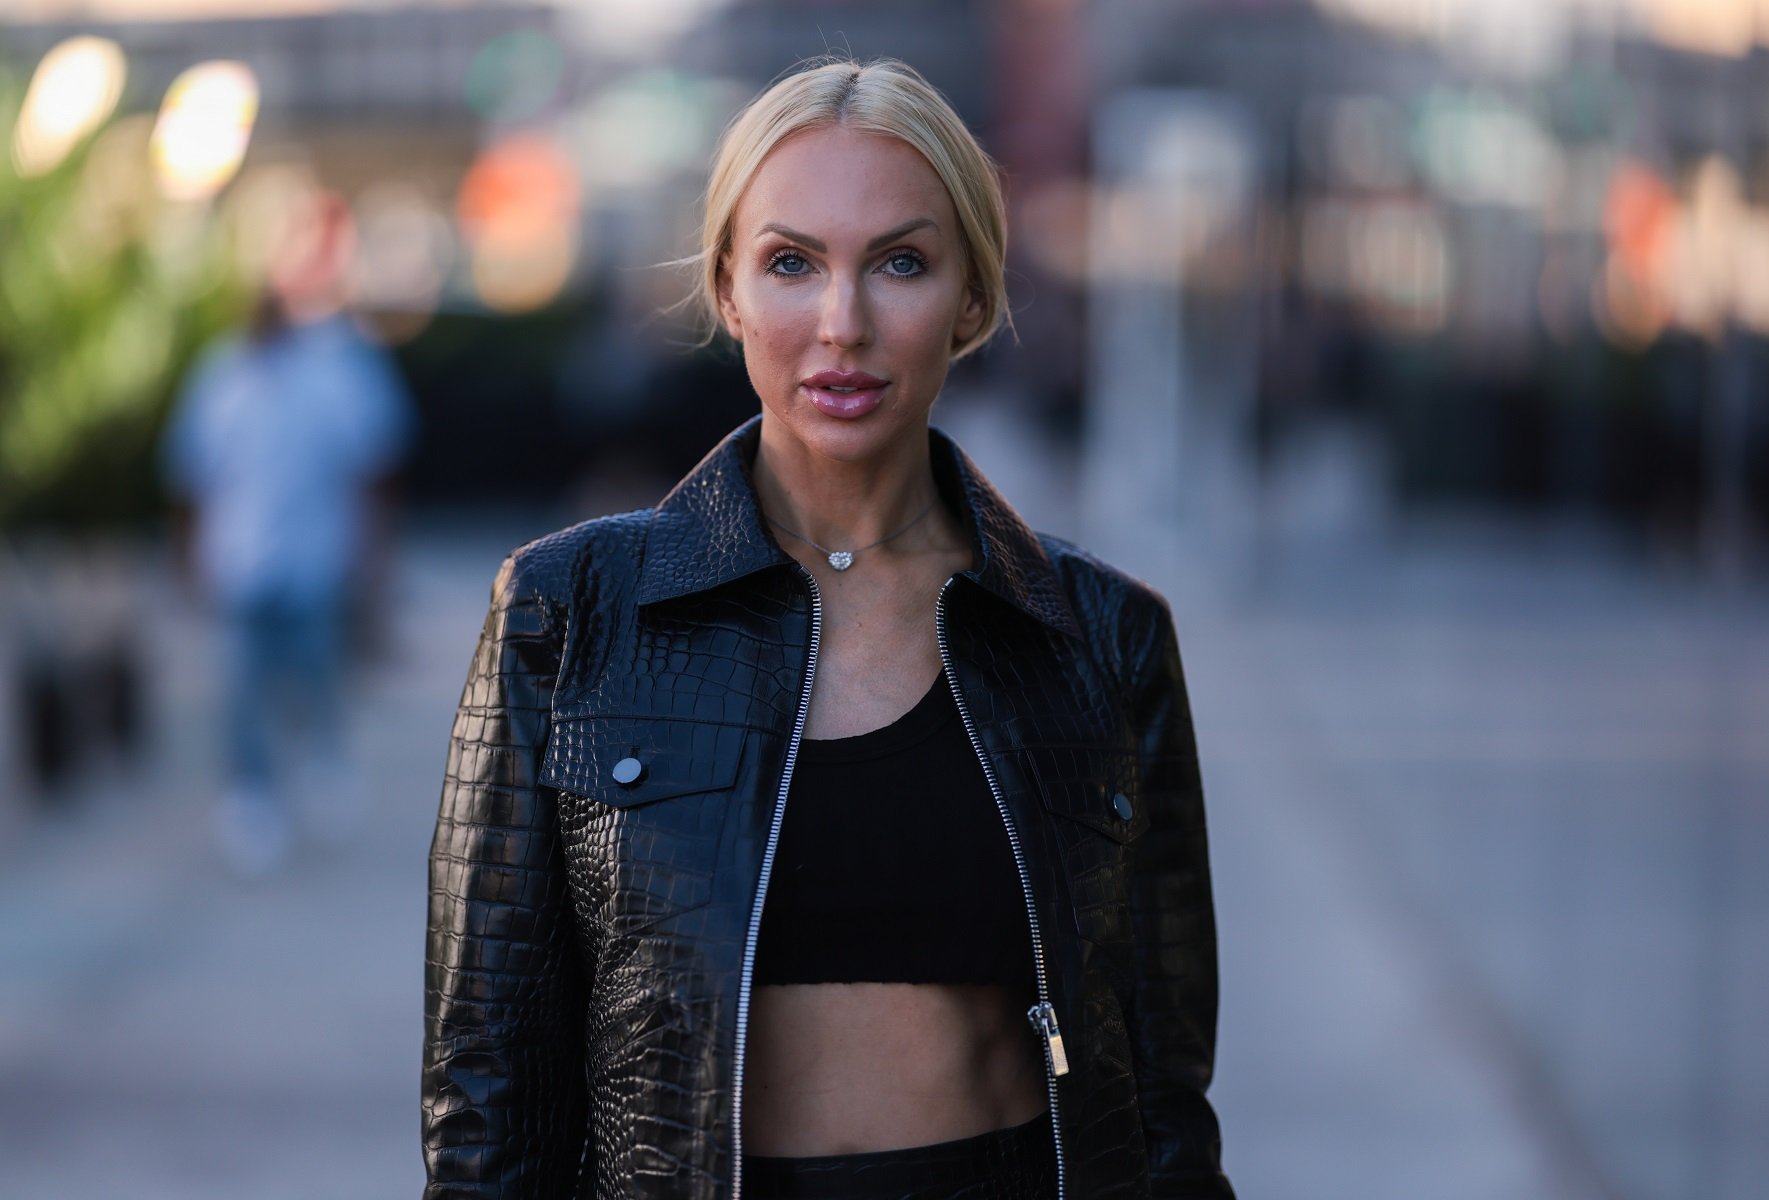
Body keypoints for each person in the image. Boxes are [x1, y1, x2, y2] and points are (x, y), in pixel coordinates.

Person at [422, 57, 1231, 1199]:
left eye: (899, 262)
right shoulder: (568, 614)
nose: (840, 324)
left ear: (970, 296)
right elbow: (487, 1104)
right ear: (728, 290)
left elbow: (1160, 1108)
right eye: (791, 263)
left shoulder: (1100, 639)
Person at [162, 188, 414, 875]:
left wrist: (373, 561)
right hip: (242, 561)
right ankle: (253, 798)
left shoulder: (333, 369)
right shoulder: (222, 375)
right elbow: (193, 474)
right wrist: (188, 557)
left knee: (313, 674)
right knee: (242, 689)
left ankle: (321, 764)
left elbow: (370, 467)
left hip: (313, 559)